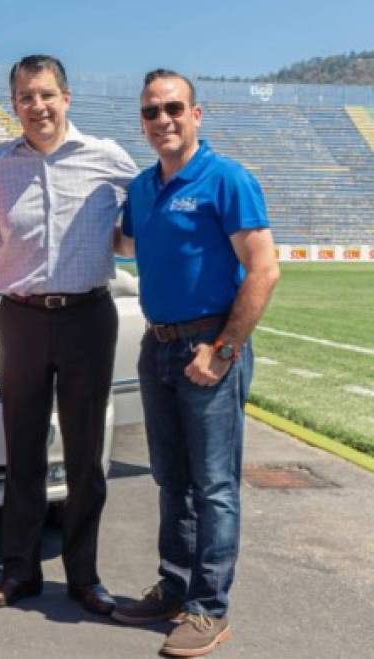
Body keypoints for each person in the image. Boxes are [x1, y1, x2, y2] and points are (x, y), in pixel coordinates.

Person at [0, 55, 139, 615]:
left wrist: (121, 244)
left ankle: (84, 575)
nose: (36, 107)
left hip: (88, 316)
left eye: (45, 95)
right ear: (13, 104)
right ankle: (19, 572)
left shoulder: (108, 158)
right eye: (24, 98)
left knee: (85, 455)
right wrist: (5, 254)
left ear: (66, 97)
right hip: (21, 317)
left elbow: (141, 223)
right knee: (24, 449)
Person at [112, 69, 279, 657]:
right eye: (152, 111)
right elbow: (123, 243)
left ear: (197, 113)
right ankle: (174, 587)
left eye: (174, 108)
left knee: (214, 486)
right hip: (158, 345)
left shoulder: (226, 178)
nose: (164, 120)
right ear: (142, 121)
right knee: (171, 479)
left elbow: (263, 269)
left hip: (209, 344)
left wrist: (224, 350)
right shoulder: (140, 187)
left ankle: (209, 608)